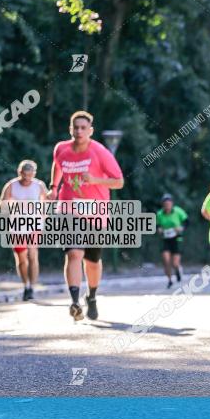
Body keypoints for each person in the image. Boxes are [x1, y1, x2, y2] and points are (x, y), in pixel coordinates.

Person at [49, 111, 124, 321]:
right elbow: (58, 164)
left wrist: (94, 180)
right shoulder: (61, 149)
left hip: (95, 211)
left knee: (92, 261)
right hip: (68, 209)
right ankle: (74, 302)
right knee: (73, 253)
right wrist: (54, 187)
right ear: (70, 129)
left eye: (83, 128)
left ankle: (91, 296)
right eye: (76, 127)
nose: (79, 131)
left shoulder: (100, 152)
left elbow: (119, 182)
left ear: (90, 131)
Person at [0, 160, 48, 301]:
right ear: (19, 173)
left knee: (32, 255)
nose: (27, 179)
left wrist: (43, 217)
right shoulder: (11, 186)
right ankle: (25, 285)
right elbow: (1, 205)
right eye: (24, 176)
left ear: (34, 174)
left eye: (30, 176)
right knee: (21, 259)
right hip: (17, 226)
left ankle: (32, 287)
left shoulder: (39, 185)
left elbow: (46, 203)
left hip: (34, 225)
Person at [156, 193, 187, 288]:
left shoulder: (178, 211)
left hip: (176, 238)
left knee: (175, 263)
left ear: (172, 203)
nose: (167, 205)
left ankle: (178, 270)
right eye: (165, 204)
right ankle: (169, 280)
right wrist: (159, 229)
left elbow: (186, 221)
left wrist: (181, 228)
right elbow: (157, 225)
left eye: (169, 203)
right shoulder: (160, 214)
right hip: (166, 239)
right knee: (166, 260)